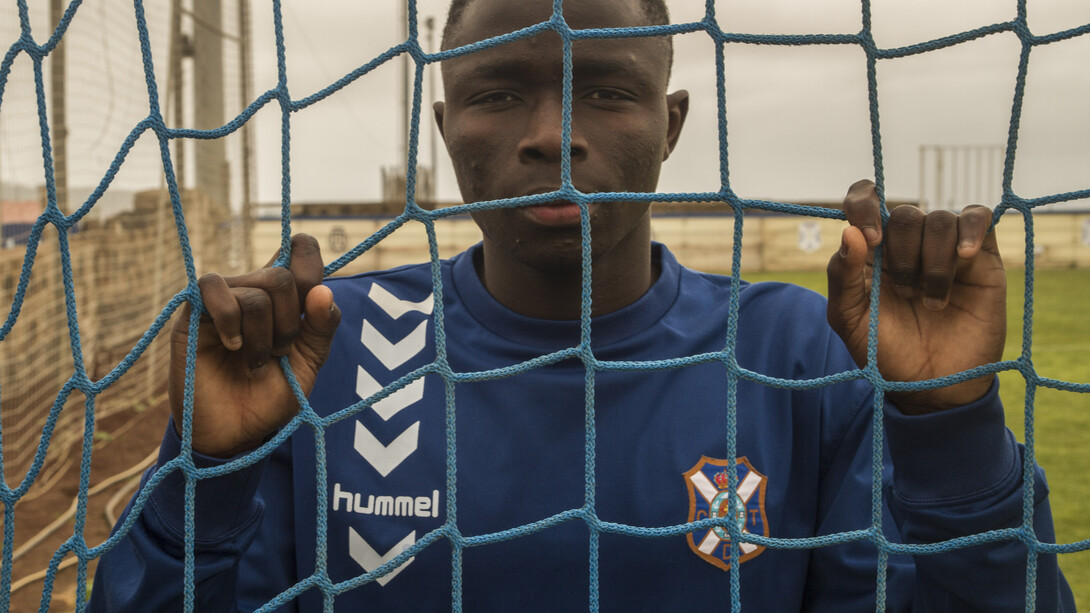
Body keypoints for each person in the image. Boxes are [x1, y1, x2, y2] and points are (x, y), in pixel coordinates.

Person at [90, 0, 1074, 610]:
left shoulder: (794, 351)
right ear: (443, 125)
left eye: (604, 91)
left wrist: (952, 425)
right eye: (498, 93)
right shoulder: (322, 350)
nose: (550, 135)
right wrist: (202, 476)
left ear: (671, 122)